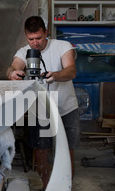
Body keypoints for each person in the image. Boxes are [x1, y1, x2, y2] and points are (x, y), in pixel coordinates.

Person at [6, 15, 80, 181]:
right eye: (31, 39)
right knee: (40, 151)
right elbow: (13, 66)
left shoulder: (63, 46)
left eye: (39, 38)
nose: (35, 43)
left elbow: (71, 71)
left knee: (66, 151)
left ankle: (64, 189)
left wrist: (55, 75)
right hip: (40, 110)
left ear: (46, 33)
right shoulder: (24, 52)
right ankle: (46, 188)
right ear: (26, 36)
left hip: (66, 108)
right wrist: (13, 73)